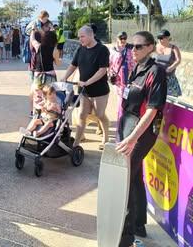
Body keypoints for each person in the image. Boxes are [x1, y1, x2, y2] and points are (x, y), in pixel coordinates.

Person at [116, 31, 167, 246]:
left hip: (142, 132)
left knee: (125, 178)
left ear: (150, 47)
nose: (132, 50)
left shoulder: (156, 71)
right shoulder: (136, 68)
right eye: (131, 47)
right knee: (134, 176)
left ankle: (125, 236)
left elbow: (152, 111)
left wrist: (132, 139)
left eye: (137, 47)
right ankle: (138, 225)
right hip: (128, 125)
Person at [61, 25, 110, 149]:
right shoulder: (80, 49)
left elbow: (102, 70)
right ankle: (77, 142)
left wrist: (88, 82)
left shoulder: (102, 49)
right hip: (84, 90)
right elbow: (73, 65)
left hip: (100, 91)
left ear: (91, 35)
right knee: (82, 115)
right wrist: (64, 77)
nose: (80, 39)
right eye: (79, 37)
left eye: (82, 36)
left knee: (100, 115)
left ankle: (106, 139)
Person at [109, 32, 135, 132]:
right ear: (117, 39)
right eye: (121, 38)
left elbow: (132, 64)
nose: (123, 40)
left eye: (125, 38)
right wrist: (111, 75)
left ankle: (123, 121)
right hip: (118, 82)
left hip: (127, 80)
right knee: (121, 101)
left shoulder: (129, 51)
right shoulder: (113, 51)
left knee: (126, 101)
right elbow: (110, 65)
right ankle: (121, 121)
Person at [155, 29, 182, 97]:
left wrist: (171, 68)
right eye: (158, 38)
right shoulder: (156, 47)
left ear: (167, 38)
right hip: (158, 77)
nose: (159, 40)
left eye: (161, 38)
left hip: (169, 78)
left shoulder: (174, 48)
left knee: (170, 100)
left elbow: (178, 60)